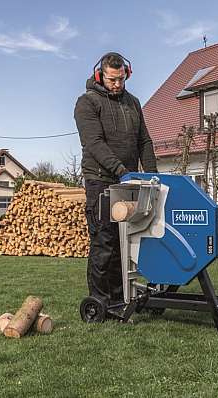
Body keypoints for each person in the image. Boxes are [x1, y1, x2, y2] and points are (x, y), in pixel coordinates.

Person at [74, 52, 157, 308]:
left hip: (128, 181)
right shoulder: (87, 103)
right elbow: (94, 143)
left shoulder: (132, 103)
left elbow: (144, 141)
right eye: (112, 80)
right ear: (100, 75)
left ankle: (123, 296)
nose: (117, 84)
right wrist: (121, 170)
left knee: (126, 242)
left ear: (126, 74)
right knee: (105, 241)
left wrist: (152, 175)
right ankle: (100, 300)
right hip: (101, 180)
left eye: (121, 79)